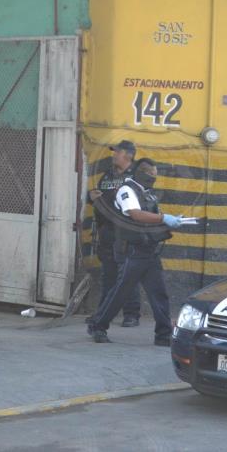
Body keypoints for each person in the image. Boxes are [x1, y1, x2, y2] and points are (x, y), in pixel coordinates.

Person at [87, 158, 183, 345]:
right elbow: (135, 214)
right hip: (132, 252)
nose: (154, 179)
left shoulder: (147, 194)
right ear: (141, 174)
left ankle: (163, 335)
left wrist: (168, 221)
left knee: (159, 293)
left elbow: (150, 218)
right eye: (151, 175)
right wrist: (164, 218)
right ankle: (97, 326)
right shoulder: (127, 190)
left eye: (155, 175)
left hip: (149, 251)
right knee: (119, 293)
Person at [87, 140, 141, 327]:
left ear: (127, 155)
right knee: (109, 276)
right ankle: (102, 313)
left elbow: (142, 201)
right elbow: (100, 197)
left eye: (117, 152)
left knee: (127, 274)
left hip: (127, 233)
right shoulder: (107, 175)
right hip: (107, 232)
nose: (114, 155)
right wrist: (91, 198)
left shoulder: (137, 176)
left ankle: (131, 315)